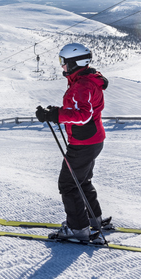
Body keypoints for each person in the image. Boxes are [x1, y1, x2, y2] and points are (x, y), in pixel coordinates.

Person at [36, 43, 109, 242]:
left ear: (75, 63)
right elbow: (80, 109)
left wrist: (55, 115)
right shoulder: (85, 80)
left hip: (83, 142)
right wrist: (56, 112)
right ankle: (94, 219)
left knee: (68, 184)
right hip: (93, 139)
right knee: (82, 181)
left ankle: (78, 229)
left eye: (64, 62)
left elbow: (83, 115)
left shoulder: (82, 84)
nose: (62, 66)